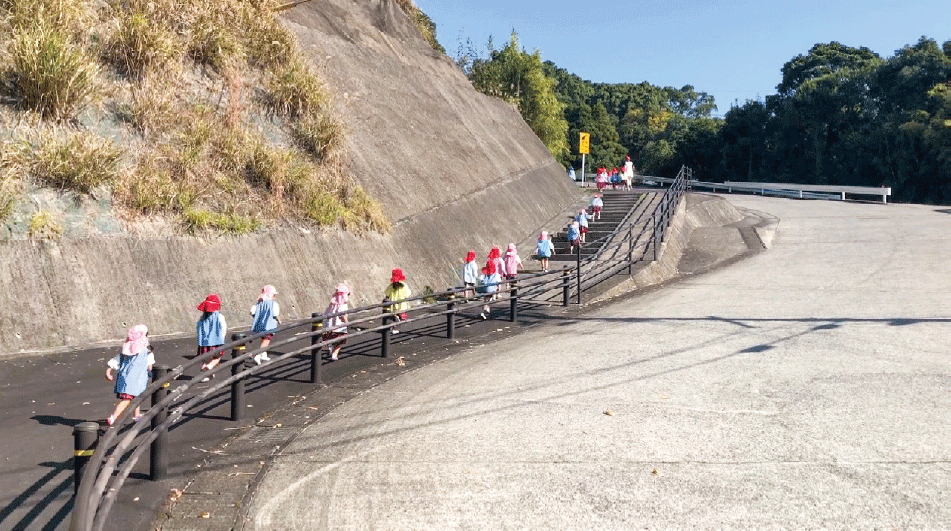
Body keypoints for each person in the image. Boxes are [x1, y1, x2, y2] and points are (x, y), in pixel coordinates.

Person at [105, 325, 155, 426]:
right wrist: (150, 374)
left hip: (124, 378)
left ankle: (136, 415)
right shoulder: (147, 352)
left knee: (136, 396)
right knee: (127, 399)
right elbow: (149, 366)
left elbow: (115, 361)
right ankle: (113, 417)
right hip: (137, 379)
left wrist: (108, 371)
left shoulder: (126, 350)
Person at [196, 294, 227, 381]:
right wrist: (222, 338)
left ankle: (205, 375)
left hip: (204, 342)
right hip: (216, 341)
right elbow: (223, 328)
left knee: (204, 358)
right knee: (217, 357)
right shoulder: (220, 316)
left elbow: (198, 328)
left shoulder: (202, 317)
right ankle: (209, 367)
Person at [250, 285, 280, 365]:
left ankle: (263, 354)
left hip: (260, 324)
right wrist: (279, 320)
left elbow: (252, 311)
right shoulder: (273, 304)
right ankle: (257, 355)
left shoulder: (260, 302)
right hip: (269, 326)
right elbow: (275, 313)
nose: (275, 297)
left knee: (263, 338)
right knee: (266, 340)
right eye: (274, 295)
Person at [322, 283, 350, 360]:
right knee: (339, 340)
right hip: (339, 325)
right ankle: (334, 354)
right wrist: (347, 322)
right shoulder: (343, 305)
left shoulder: (332, 304)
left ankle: (331, 348)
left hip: (330, 325)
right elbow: (344, 316)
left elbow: (326, 314)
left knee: (330, 338)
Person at [383, 268, 411, 334]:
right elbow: (408, 294)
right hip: (401, 304)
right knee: (397, 316)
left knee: (396, 316)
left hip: (395, 304)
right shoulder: (403, 286)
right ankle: (394, 327)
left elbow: (387, 294)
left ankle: (393, 327)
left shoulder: (392, 286)